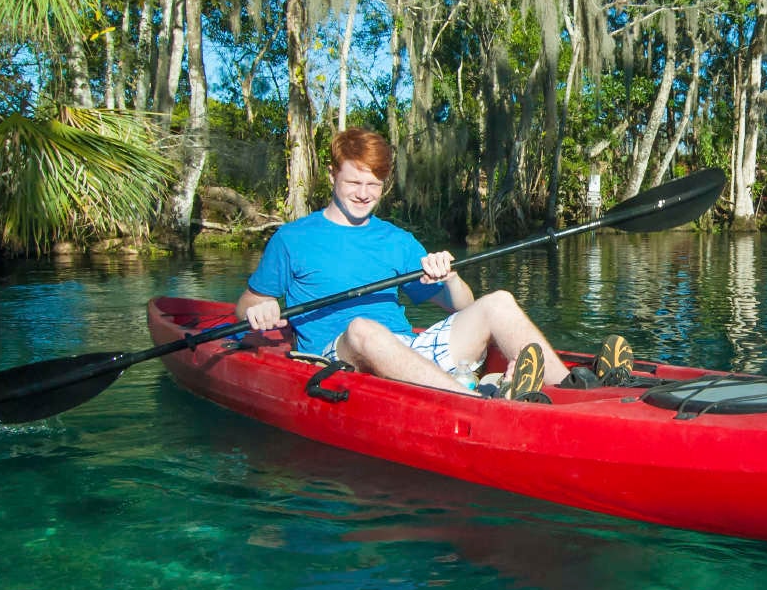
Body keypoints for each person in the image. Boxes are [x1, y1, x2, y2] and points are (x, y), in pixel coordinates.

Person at [237, 128, 622, 399]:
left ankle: (574, 390)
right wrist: (260, 310)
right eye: (354, 182)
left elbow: (463, 307)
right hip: (338, 355)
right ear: (332, 174)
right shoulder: (293, 239)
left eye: (374, 185)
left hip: (409, 351)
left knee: (499, 301)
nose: (364, 194)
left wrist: (449, 277)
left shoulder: (397, 240)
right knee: (362, 328)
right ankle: (479, 402)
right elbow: (247, 306)